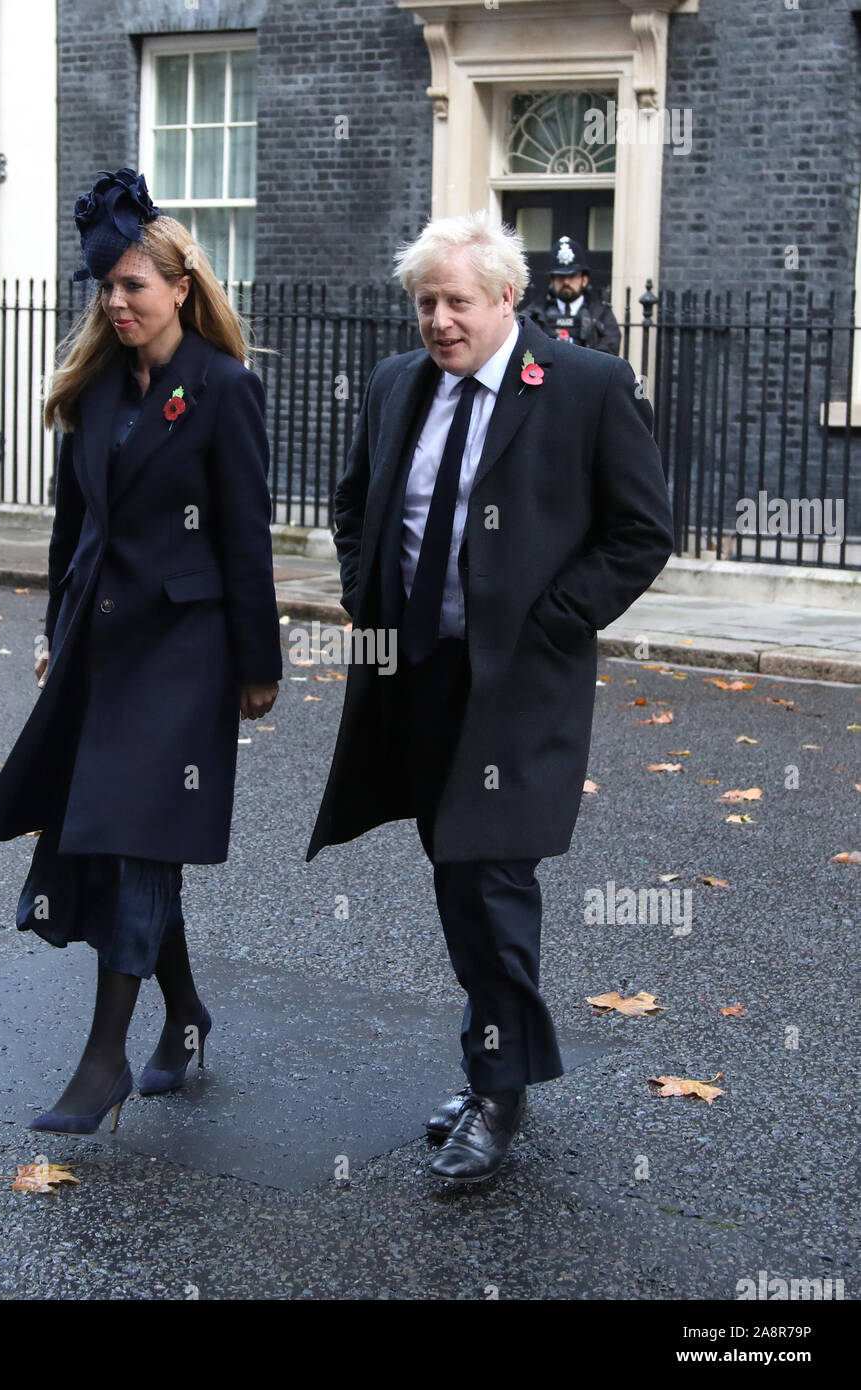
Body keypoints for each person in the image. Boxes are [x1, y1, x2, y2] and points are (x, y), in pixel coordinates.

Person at [307, 211, 673, 1184]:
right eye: (423, 302)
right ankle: (489, 1066)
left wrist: (552, 622)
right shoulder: (396, 385)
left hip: (516, 689)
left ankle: (498, 1090)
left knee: (490, 880)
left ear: (506, 298)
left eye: (454, 301)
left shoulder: (583, 386)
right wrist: (363, 592)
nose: (435, 320)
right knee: (455, 880)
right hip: (420, 678)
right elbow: (352, 503)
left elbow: (640, 532)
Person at [0, 168, 281, 1135]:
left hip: (186, 650)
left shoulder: (224, 390)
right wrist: (50, 634)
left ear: (180, 287)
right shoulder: (95, 393)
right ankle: (183, 1016)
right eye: (107, 287)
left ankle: (102, 1062)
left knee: (137, 835)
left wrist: (258, 662)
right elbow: (73, 536)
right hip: (102, 652)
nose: (117, 302)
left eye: (134, 286)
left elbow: (245, 536)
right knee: (126, 832)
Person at [523, 235, 620, 354]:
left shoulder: (602, 315)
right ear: (552, 280)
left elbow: (609, 353)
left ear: (584, 279)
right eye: (560, 277)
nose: (566, 282)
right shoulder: (533, 315)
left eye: (572, 276)